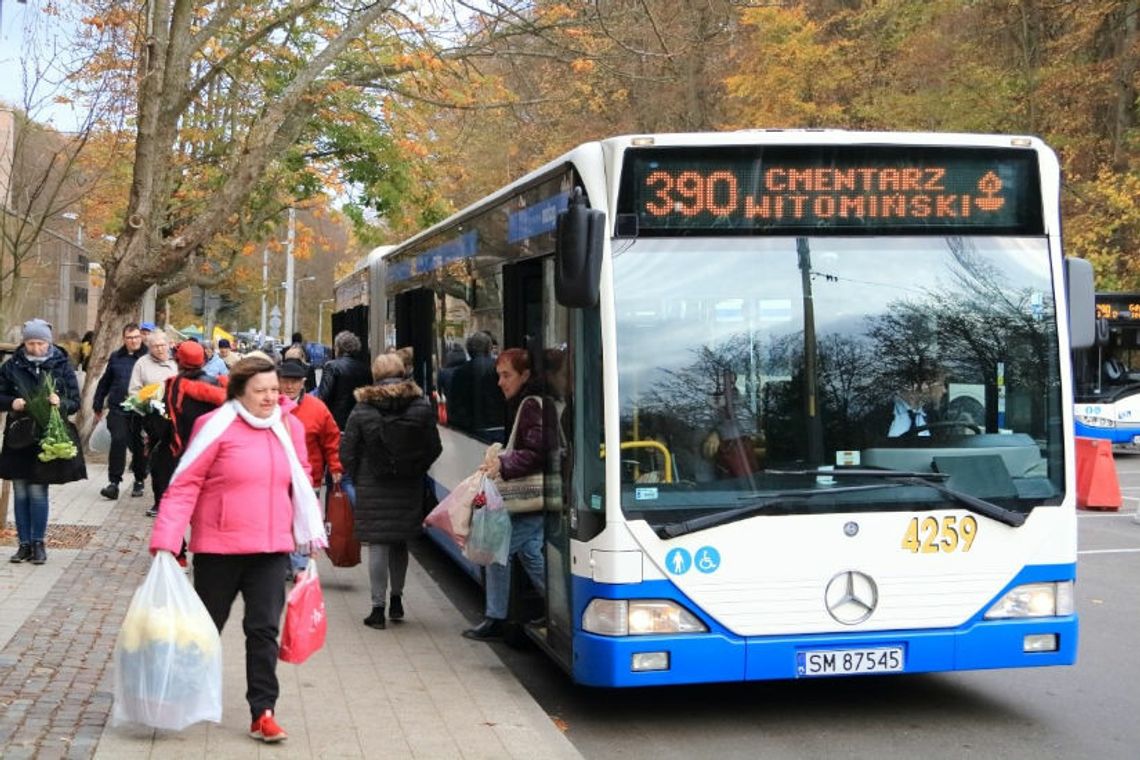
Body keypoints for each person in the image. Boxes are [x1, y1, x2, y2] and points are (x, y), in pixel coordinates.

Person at [149, 356, 325, 744]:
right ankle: (171, 699)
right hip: (219, 548)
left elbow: (301, 482)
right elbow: (184, 484)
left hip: (270, 548)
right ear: (239, 392)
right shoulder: (213, 427)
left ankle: (263, 711)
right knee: (204, 630)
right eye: (260, 391)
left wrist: (308, 539)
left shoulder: (289, 427)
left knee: (263, 630)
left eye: (274, 390)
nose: (270, 398)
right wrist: (166, 541)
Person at [340, 353, 441, 630]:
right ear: (402, 372)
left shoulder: (363, 408)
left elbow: (347, 451)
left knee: (378, 544)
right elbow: (434, 447)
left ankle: (377, 609)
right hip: (408, 484)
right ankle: (397, 599)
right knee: (400, 542)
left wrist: (361, 473)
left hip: (373, 484)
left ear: (375, 375)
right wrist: (415, 468)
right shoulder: (420, 405)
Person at [463, 348, 548, 641]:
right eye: (498, 375)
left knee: (495, 550)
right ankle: (557, 607)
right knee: (529, 553)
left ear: (525, 375)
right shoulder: (530, 403)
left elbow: (538, 452)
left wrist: (503, 462)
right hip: (536, 497)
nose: (500, 382)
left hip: (532, 496)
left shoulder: (531, 405)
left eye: (506, 375)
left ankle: (496, 617)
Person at [0, 319, 87, 565]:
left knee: (38, 490)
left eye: (40, 343)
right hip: (19, 434)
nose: (35, 348)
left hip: (47, 435)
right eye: (30, 343)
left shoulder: (60, 365)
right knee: (20, 491)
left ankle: (38, 543)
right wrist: (11, 403)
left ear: (48, 342)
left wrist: (60, 403)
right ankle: (23, 544)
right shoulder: (12, 366)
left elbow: (75, 402)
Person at [147, 340, 228, 520]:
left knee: (161, 472)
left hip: (179, 450)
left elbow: (165, 421)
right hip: (211, 451)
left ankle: (161, 506)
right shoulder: (218, 385)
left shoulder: (173, 386)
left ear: (179, 361)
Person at [278, 358, 342, 577]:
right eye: (285, 381)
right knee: (282, 521)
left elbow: (331, 440)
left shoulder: (317, 408)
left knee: (301, 520)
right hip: (275, 478)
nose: (289, 386)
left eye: (294, 381)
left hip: (309, 478)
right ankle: (286, 564)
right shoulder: (269, 406)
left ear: (303, 382)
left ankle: (300, 566)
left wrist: (335, 466)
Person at [92, 322, 148, 500]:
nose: (133, 341)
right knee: (118, 439)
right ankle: (114, 483)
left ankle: (139, 478)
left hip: (140, 410)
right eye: (129, 338)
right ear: (124, 339)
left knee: (138, 446)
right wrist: (98, 403)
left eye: (136, 337)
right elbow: (105, 382)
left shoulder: (148, 357)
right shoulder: (116, 357)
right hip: (118, 408)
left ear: (141, 337)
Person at [447, 331, 504, 435]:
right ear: (489, 348)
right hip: (497, 424)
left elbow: (455, 403)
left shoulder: (460, 372)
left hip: (469, 428)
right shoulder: (498, 368)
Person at [317, 330, 372, 431]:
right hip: (360, 421)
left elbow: (323, 396)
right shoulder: (365, 369)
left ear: (338, 348)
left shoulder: (331, 366)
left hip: (336, 422)